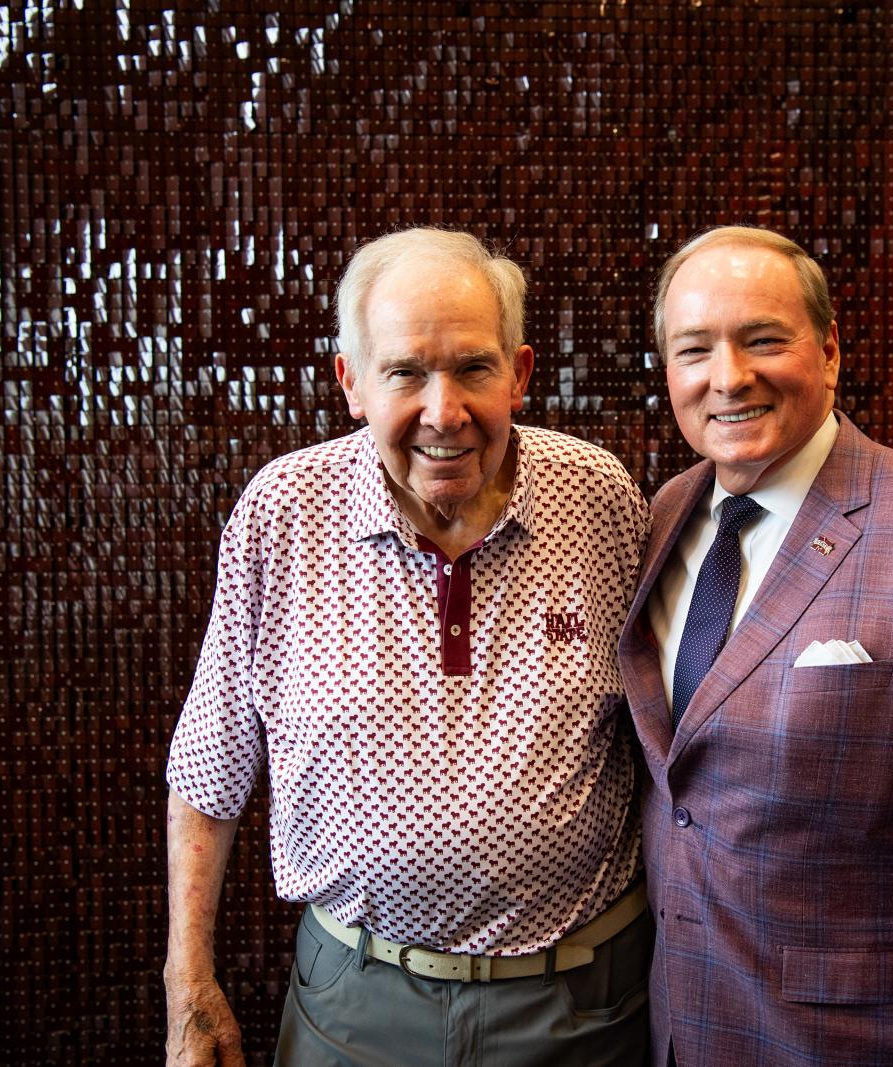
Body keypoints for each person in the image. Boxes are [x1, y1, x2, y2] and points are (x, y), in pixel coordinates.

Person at [164, 227, 652, 1067]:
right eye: (405, 372)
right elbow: (211, 763)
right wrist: (189, 982)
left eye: (473, 367)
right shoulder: (282, 512)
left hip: (580, 1003)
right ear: (352, 382)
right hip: (355, 1002)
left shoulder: (600, 496)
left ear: (520, 374)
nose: (443, 411)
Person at [617, 226, 893, 1066]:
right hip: (675, 1030)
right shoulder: (660, 518)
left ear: (828, 351)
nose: (729, 377)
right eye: (694, 350)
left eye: (763, 340)